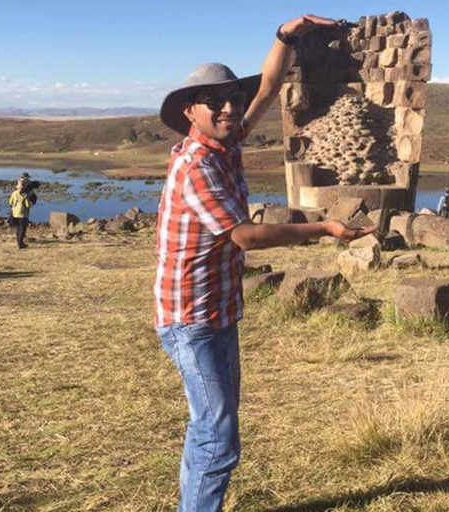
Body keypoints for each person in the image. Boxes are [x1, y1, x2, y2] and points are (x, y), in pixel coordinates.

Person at [154, 15, 375, 512]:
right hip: (190, 318)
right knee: (218, 438)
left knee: (209, 426)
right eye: (216, 101)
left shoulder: (225, 143)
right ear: (191, 111)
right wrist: (323, 228)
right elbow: (246, 237)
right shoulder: (198, 166)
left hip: (217, 312)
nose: (230, 107)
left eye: (233, 98)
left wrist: (284, 37)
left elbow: (270, 87)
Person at [8, 174, 35, 248]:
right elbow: (28, 205)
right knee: (22, 228)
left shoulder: (14, 193)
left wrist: (13, 207)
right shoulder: (25, 193)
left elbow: (10, 202)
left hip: (15, 213)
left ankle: (19, 241)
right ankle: (20, 243)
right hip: (23, 213)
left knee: (18, 227)